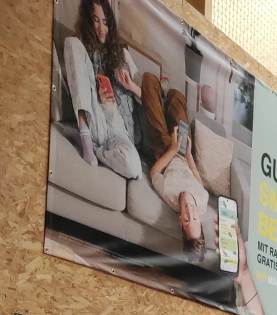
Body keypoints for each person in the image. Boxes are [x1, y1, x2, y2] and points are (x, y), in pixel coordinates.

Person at [62, 0, 142, 177]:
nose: (101, 28)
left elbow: (146, 96)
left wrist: (131, 85)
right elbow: (79, 84)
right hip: (95, 115)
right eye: (96, 20)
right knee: (72, 43)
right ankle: (85, 136)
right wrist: (98, 98)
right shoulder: (83, 49)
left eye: (105, 22)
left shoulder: (123, 55)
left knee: (134, 169)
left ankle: (93, 147)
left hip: (119, 129)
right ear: (88, 21)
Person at [141, 72, 208, 258]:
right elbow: (195, 174)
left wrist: (172, 148)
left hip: (165, 150)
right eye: (194, 218)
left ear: (180, 221)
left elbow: (155, 171)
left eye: (187, 220)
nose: (190, 212)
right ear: (200, 218)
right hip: (184, 152)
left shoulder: (169, 196)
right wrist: (187, 153)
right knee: (178, 97)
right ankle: (166, 94)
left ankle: (154, 92)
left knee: (148, 79)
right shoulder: (202, 201)